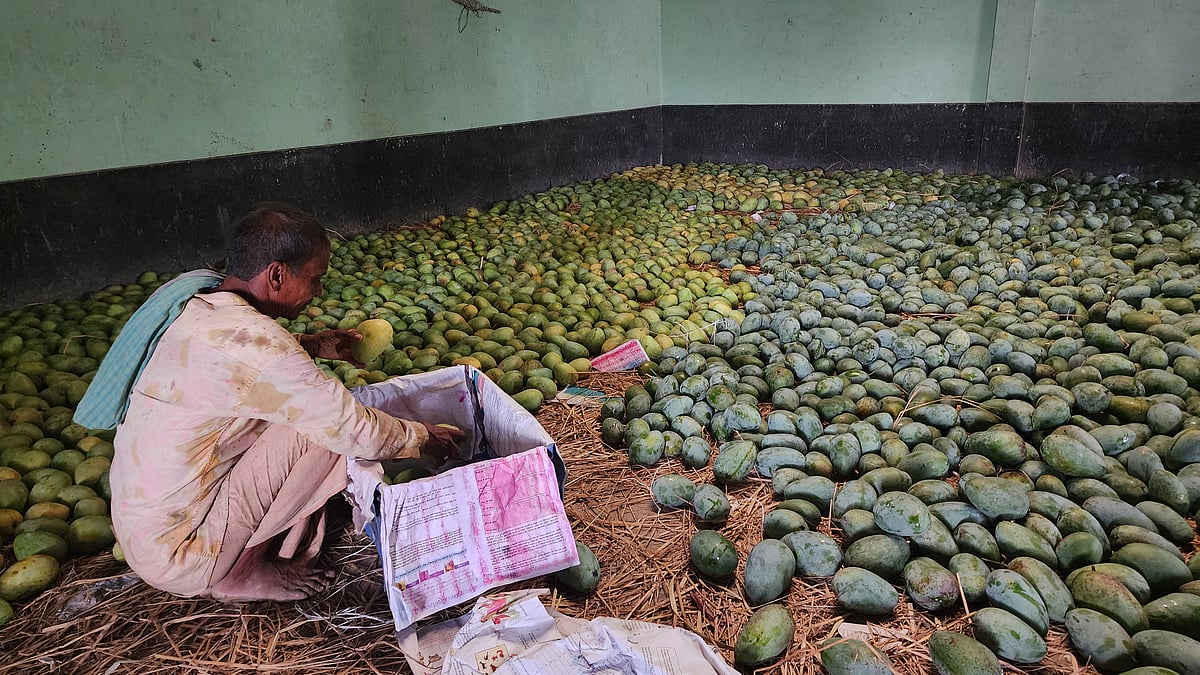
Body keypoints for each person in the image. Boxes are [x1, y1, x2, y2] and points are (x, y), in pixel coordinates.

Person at [105, 202, 464, 601]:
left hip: (143, 530)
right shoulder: (262, 348)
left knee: (308, 412)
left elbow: (238, 364)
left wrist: (313, 344)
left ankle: (237, 551)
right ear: (276, 275)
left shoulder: (195, 304)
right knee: (322, 432)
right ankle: (240, 572)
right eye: (315, 279)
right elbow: (349, 427)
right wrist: (422, 438)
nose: (318, 292)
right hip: (183, 554)